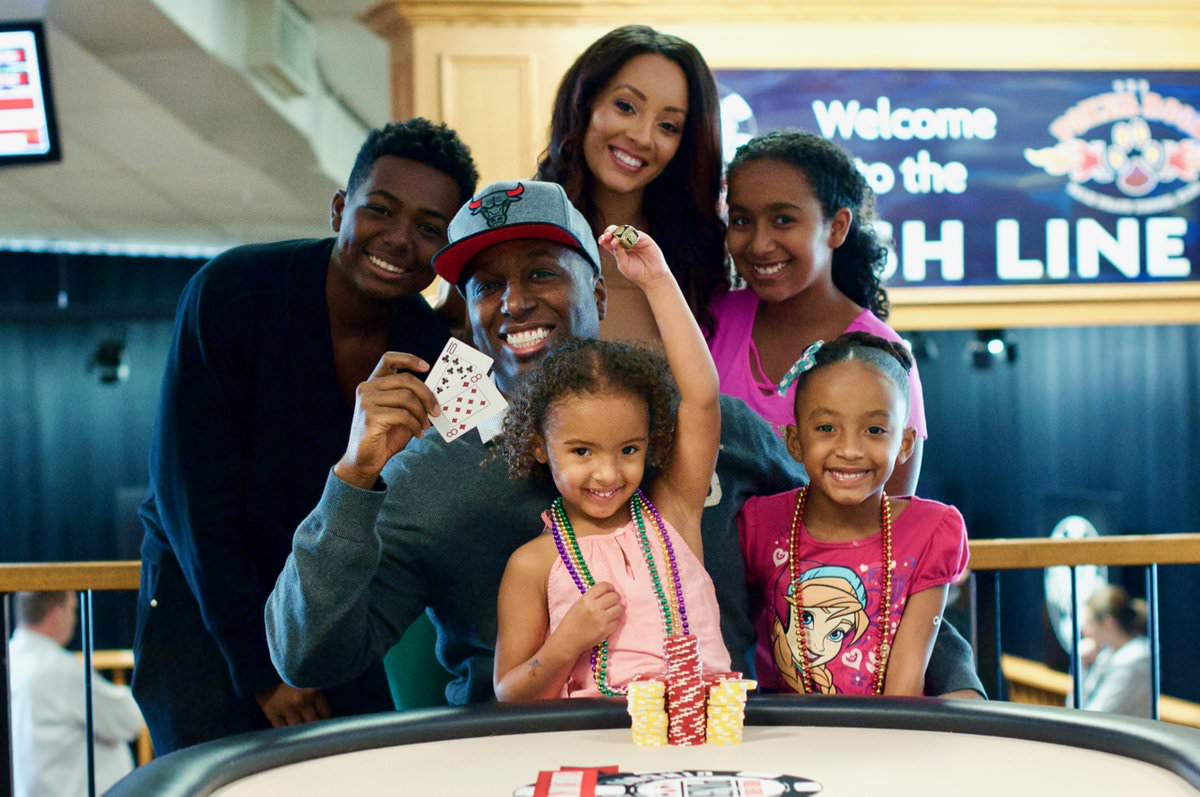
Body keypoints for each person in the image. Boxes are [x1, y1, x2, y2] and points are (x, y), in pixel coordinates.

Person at [264, 180, 985, 705]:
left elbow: (852, 547)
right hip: (519, 762)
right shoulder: (428, 470)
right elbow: (308, 657)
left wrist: (954, 681)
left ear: (600, 294)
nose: (515, 301)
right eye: (486, 286)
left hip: (721, 744)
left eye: (542, 272)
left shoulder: (715, 429)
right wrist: (353, 477)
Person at [133, 118, 479, 753]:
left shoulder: (438, 349)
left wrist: (475, 331)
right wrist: (262, 670)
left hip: (334, 617)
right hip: (209, 620)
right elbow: (193, 503)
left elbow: (477, 476)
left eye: (430, 228)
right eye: (380, 210)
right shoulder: (231, 293)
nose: (400, 239)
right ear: (340, 208)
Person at [493, 224, 727, 700]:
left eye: (628, 450)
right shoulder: (531, 565)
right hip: (594, 738)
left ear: (650, 441)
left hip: (701, 732)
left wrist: (657, 281)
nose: (607, 473)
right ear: (539, 447)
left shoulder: (674, 515)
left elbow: (701, 398)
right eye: (582, 451)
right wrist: (566, 643)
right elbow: (509, 693)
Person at [739, 333, 969, 696]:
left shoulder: (932, 532)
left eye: (874, 430)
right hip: (789, 728)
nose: (849, 450)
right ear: (795, 442)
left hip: (891, 726)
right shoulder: (758, 524)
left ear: (904, 444)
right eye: (826, 428)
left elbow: (905, 686)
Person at [708, 130, 926, 495]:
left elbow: (892, 512)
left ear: (837, 227)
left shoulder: (883, 355)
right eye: (742, 221)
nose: (759, 244)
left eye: (783, 220)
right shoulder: (706, 322)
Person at [536, 25, 726, 342]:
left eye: (668, 126)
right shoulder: (515, 230)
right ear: (583, 104)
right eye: (625, 107)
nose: (642, 137)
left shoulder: (704, 259)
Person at [10, 592, 143, 797]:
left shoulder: (11, 660)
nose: (75, 619)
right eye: (73, 610)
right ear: (56, 614)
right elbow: (129, 718)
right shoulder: (55, 668)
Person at [1075, 585, 1151, 717]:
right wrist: (1082, 665)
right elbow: (1074, 708)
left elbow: (1096, 717)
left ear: (1108, 623)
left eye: (1089, 623)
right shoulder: (1106, 654)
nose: (1084, 631)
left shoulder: (1135, 660)